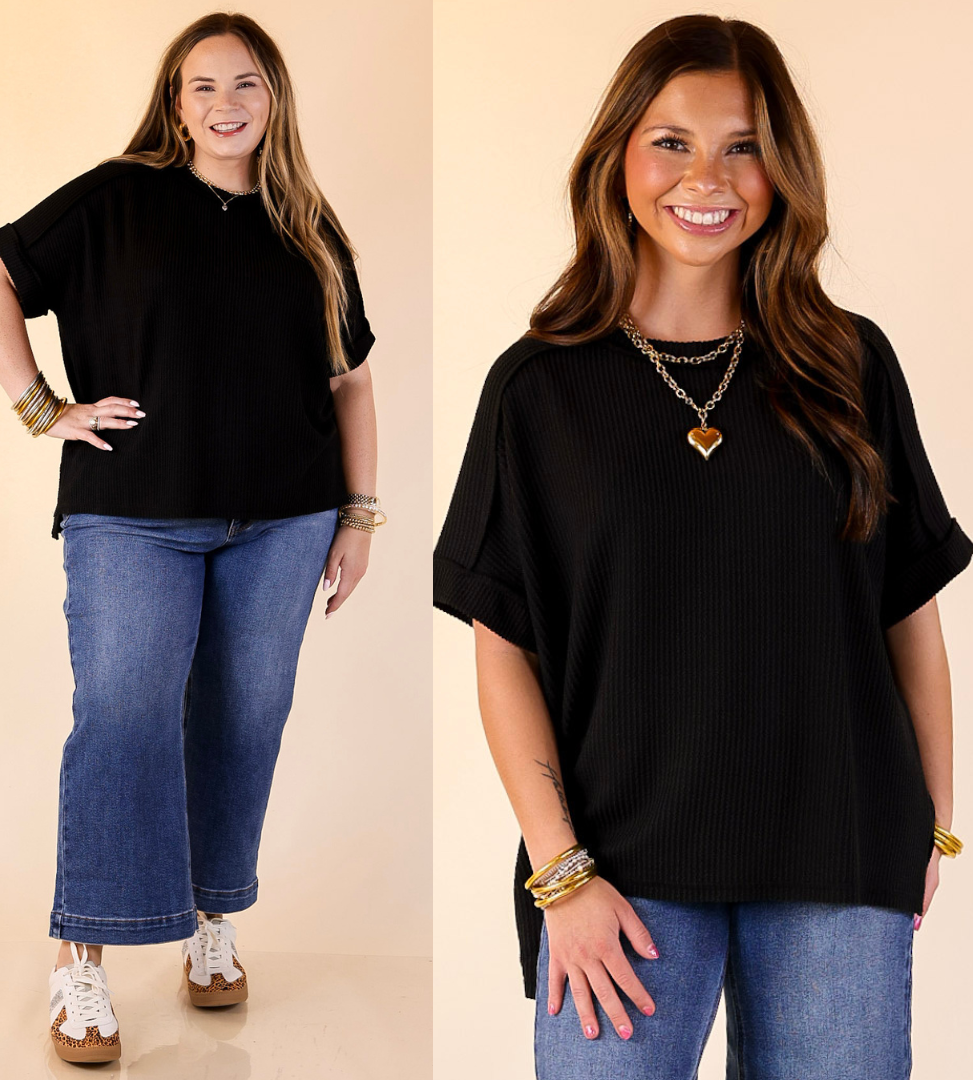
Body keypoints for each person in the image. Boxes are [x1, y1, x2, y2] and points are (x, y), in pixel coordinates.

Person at [433, 14, 969, 1079]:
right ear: (619, 154)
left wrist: (934, 828)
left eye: (745, 144)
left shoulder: (852, 364)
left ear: (784, 172)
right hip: (616, 873)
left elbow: (910, 617)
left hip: (839, 855)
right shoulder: (538, 389)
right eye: (672, 140)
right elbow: (506, 649)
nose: (706, 175)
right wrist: (562, 875)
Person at [0, 11, 385, 1064]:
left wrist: (359, 515)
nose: (226, 104)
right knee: (124, 718)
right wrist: (42, 409)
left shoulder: (310, 228)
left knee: (245, 717)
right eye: (202, 86)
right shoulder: (114, 198)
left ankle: (209, 923)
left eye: (246, 83)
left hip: (284, 519)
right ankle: (83, 965)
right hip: (133, 515)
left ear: (274, 97)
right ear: (173, 100)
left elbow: (352, 381)